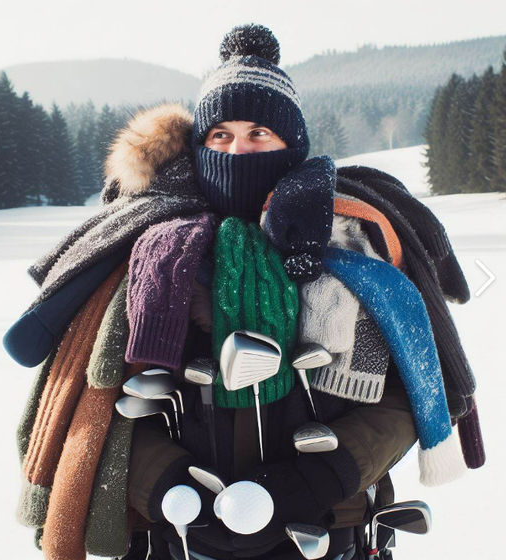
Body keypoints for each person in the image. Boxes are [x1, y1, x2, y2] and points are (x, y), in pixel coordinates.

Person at [124, 23, 419, 560]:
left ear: (292, 144)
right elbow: (103, 399)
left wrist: (317, 481)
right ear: (201, 144)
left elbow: (404, 397)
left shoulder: (352, 244)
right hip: (181, 531)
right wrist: (167, 486)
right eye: (221, 134)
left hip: (328, 521)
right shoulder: (154, 254)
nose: (238, 149)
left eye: (259, 133)